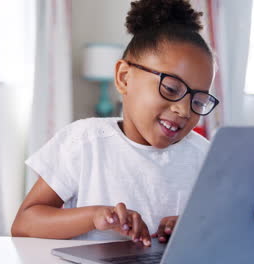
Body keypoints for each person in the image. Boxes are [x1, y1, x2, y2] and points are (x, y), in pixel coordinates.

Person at [12, 0, 219, 247]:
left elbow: (219, 228)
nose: (183, 110)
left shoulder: (204, 156)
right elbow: (24, 225)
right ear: (124, 78)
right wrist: (94, 216)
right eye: (171, 88)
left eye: (199, 100)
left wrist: (188, 227)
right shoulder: (85, 142)